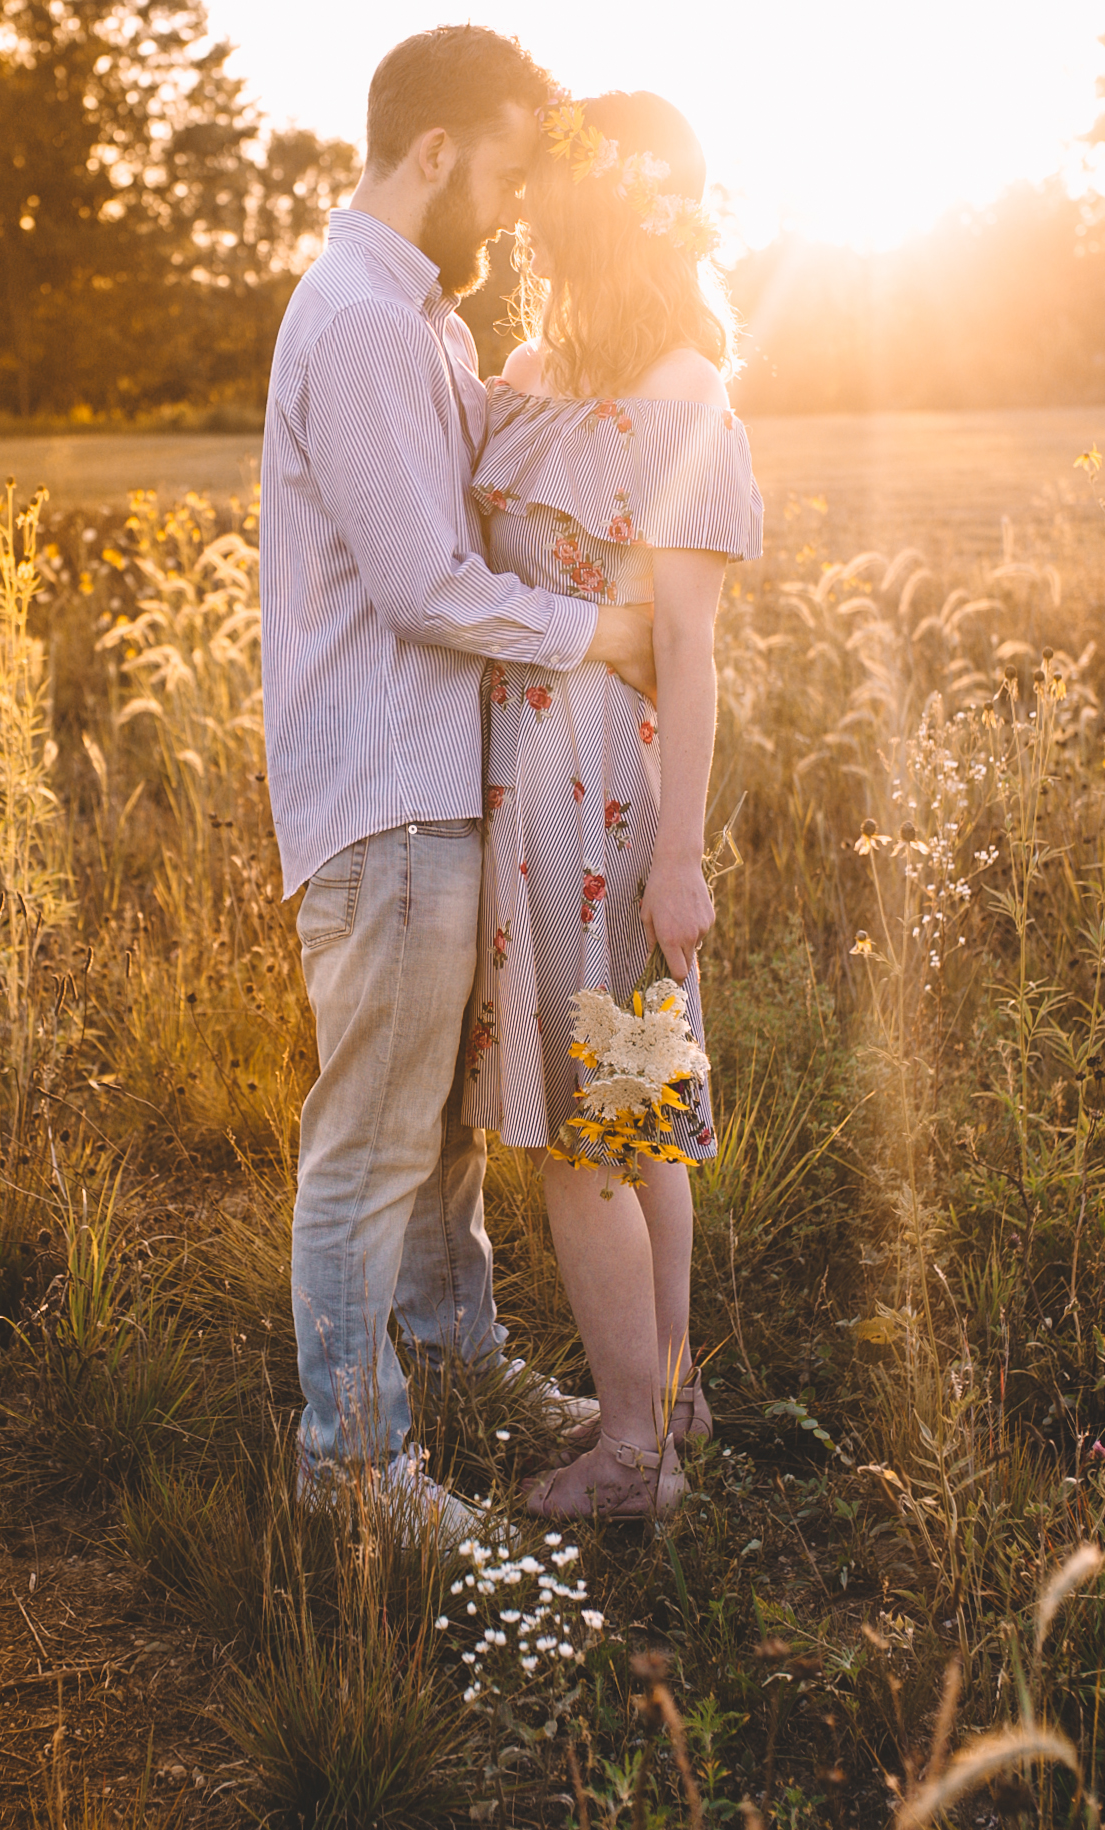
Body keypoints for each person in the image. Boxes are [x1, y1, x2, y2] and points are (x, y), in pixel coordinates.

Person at [259, 26, 659, 1536]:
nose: (507, 205)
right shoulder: (362, 319)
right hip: (384, 780)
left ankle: (459, 1365)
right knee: (371, 1138)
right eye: (497, 169)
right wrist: (601, 630)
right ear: (434, 151)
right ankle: (354, 1474)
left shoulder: (420, 320)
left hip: (430, 780)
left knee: (433, 1134)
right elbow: (425, 581)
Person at [462, 87, 764, 1520]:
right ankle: (667, 1398)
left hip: (604, 791)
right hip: (522, 773)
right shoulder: (524, 370)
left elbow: (694, 650)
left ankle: (636, 1446)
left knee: (602, 1132)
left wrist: (684, 857)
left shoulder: (686, 392)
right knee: (622, 1116)